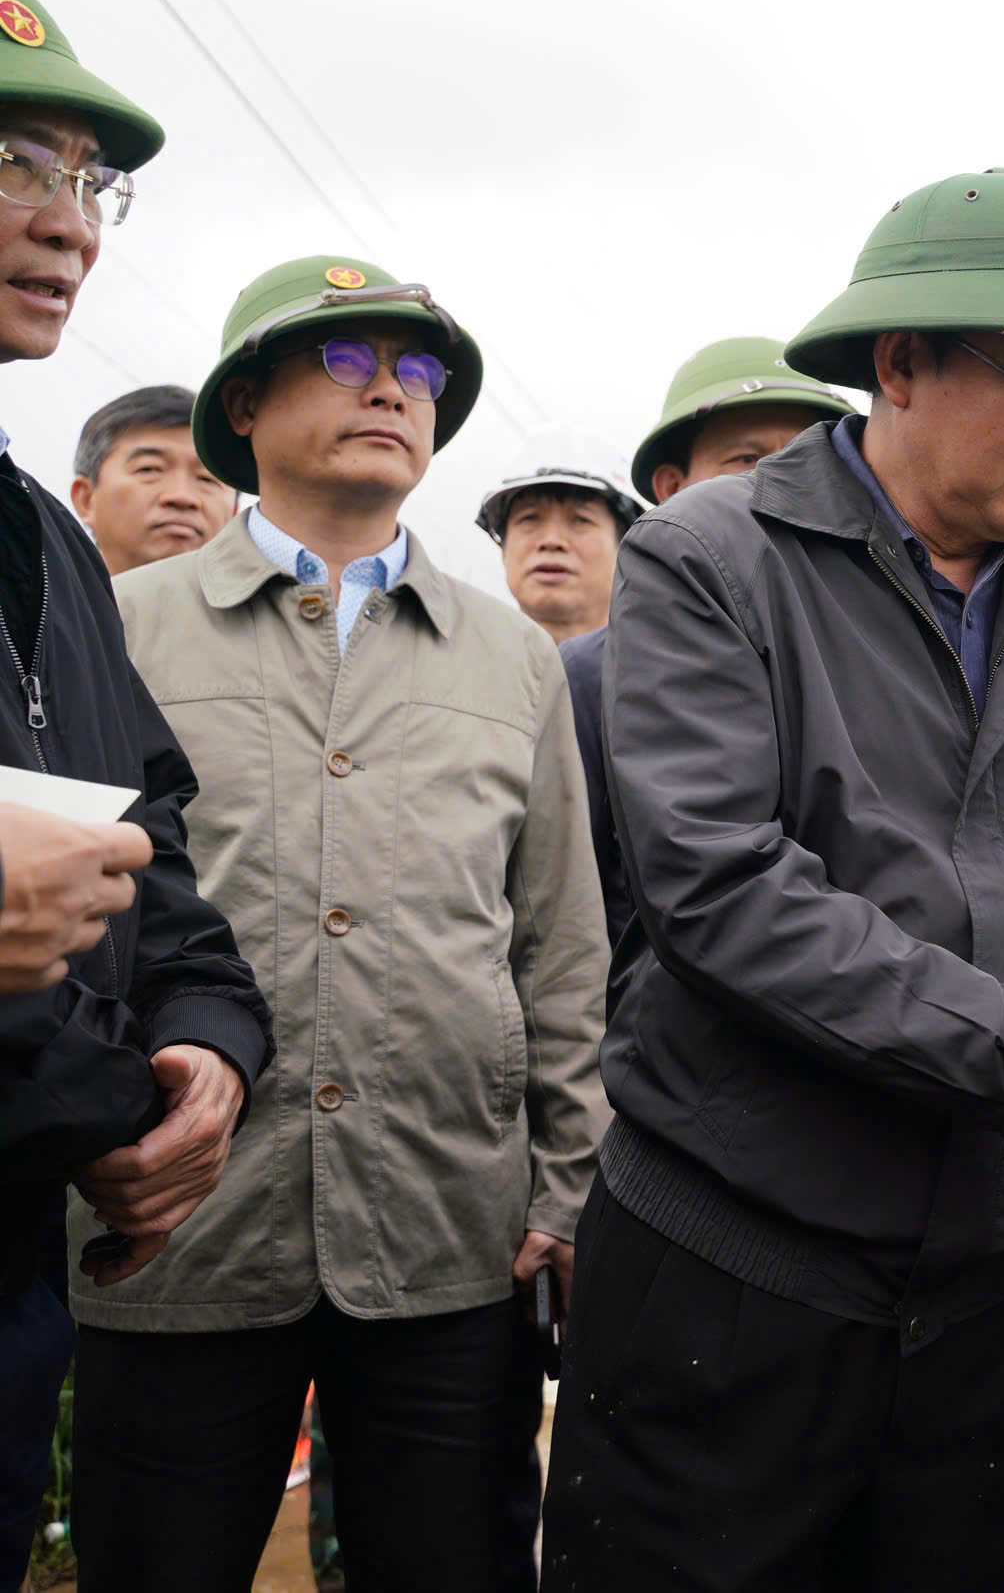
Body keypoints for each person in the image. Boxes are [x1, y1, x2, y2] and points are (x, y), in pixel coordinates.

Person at [542, 168, 1004, 1593]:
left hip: (987, 1304)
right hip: (742, 1270)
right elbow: (728, 897)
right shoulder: (717, 560)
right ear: (899, 365)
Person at [74, 255, 610, 1593]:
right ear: (243, 407)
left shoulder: (511, 658)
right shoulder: (119, 625)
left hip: (446, 1225)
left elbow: (557, 939)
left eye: (419, 372)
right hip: (179, 1222)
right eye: (349, 361)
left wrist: (563, 1182)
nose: (392, 392)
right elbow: (69, 911)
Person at [0, 0, 273, 1587]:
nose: (72, 221)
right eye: (11, 166)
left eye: (86, 178)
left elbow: (149, 848)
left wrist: (203, 1048)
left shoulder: (44, 540)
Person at [559, 337, 851, 958]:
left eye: (808, 460)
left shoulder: (891, 648)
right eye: (746, 459)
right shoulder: (589, 674)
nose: (783, 484)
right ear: (671, 486)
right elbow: (576, 893)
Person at [69, 384, 235, 574]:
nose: (182, 497)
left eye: (207, 479)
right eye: (149, 469)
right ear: (86, 499)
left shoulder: (269, 602)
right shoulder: (37, 598)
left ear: (234, 512)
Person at [475, 463, 642, 644]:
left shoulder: (666, 666)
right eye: (529, 518)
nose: (552, 541)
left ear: (625, 548)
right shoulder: (462, 664)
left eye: (581, 520)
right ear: (503, 548)